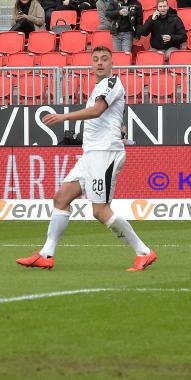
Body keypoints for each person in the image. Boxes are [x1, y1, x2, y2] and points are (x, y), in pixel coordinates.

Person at [16, 46, 157, 272]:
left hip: (105, 153)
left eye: (104, 59)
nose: (100, 63)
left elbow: (96, 111)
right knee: (61, 198)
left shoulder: (112, 84)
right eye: (95, 60)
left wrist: (64, 116)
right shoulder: (100, 86)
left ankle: (144, 252)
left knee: (100, 211)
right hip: (90, 153)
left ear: (112, 63)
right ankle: (46, 254)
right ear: (91, 64)